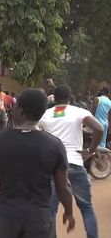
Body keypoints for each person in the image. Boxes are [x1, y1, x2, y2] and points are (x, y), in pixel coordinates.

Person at [0, 88, 75, 238]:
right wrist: (69, 212)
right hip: (39, 218)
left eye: (16, 107)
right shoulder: (54, 145)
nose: (13, 110)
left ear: (21, 111)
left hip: (6, 218)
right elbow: (63, 187)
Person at [39, 85, 102, 238]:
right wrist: (91, 151)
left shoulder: (45, 115)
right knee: (86, 207)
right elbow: (99, 129)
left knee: (50, 210)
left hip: (53, 167)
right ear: (70, 97)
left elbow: (36, 135)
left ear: (54, 97)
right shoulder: (80, 112)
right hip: (75, 164)